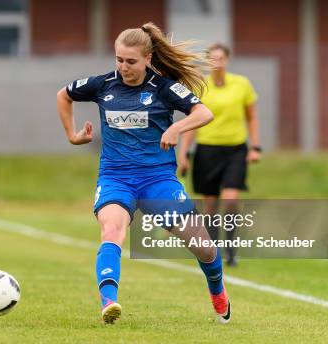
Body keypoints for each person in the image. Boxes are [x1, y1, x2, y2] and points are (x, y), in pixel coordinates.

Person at [57, 23, 231, 324]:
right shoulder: (102, 85)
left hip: (158, 179)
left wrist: (177, 127)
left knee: (202, 246)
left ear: (148, 58)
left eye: (131, 61)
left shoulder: (164, 88)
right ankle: (108, 302)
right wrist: (72, 135)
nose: (123, 67)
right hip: (115, 177)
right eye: (119, 60)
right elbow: (64, 95)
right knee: (112, 230)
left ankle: (217, 291)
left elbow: (204, 113)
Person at [178, 43, 261, 267]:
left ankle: (231, 250)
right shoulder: (201, 86)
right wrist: (183, 153)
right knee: (211, 205)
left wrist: (255, 147)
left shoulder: (242, 84)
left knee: (231, 200)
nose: (217, 63)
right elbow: (193, 122)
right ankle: (211, 252)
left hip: (235, 150)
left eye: (221, 58)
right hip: (207, 150)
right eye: (212, 59)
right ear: (208, 62)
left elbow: (252, 117)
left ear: (227, 60)